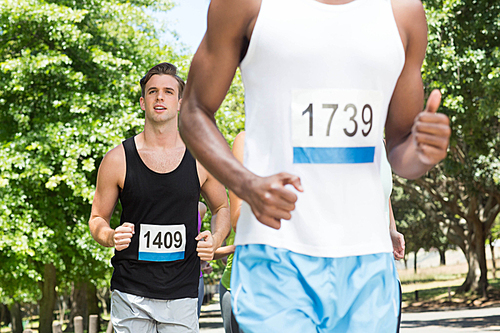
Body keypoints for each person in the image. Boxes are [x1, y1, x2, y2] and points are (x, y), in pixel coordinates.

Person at [178, 0, 451, 332]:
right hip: (275, 251)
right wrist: (246, 183)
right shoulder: (247, 4)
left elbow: (399, 148)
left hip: (368, 258)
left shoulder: (403, 12)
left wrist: (423, 151)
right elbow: (192, 111)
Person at [88, 62, 230, 333]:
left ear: (180, 102)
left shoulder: (201, 157)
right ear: (143, 102)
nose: (159, 97)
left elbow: (222, 206)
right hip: (130, 293)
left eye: (167, 91)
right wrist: (110, 236)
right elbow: (96, 218)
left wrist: (216, 239)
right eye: (152, 92)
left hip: (182, 292)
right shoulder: (117, 159)